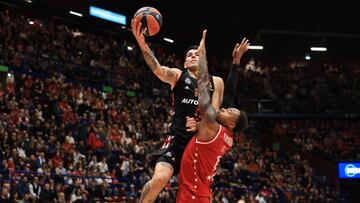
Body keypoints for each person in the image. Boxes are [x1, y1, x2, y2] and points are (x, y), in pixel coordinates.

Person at [132, 18, 224, 202]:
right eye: (189, 55)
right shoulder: (178, 76)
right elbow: (158, 69)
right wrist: (142, 44)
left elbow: (215, 115)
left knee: (199, 193)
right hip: (177, 138)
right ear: (184, 63)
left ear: (204, 59)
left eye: (196, 54)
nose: (192, 56)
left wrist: (199, 124)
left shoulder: (216, 82)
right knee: (159, 179)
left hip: (198, 145)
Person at [176, 30, 248, 203]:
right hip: (200, 191)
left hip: (193, 193)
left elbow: (202, 92)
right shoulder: (225, 132)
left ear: (231, 124)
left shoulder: (212, 125)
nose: (225, 109)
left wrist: (202, 60)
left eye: (229, 112)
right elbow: (230, 92)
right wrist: (236, 62)